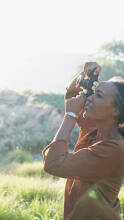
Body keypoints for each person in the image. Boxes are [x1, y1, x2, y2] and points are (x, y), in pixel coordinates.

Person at [42, 62, 124, 220]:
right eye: (94, 92)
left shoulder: (115, 149)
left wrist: (70, 116)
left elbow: (53, 163)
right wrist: (85, 76)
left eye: (98, 95)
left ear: (115, 111)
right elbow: (73, 96)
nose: (90, 98)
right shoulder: (97, 129)